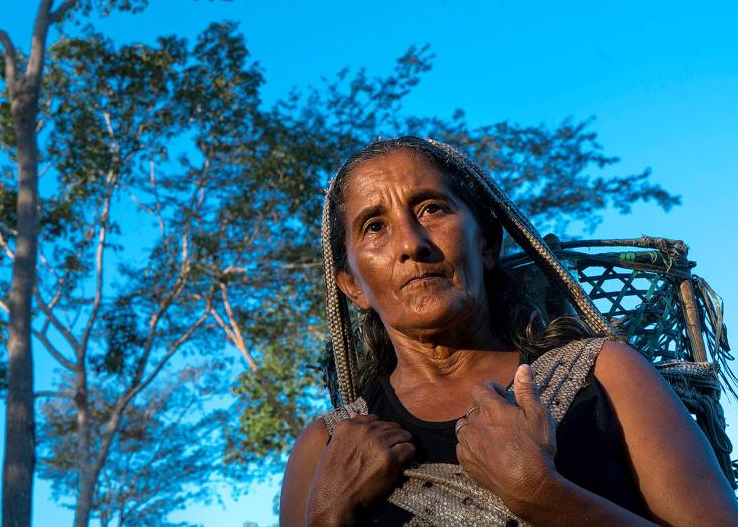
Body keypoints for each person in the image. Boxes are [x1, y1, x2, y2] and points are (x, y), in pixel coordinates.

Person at [279, 136, 738, 526]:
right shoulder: (325, 450)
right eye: (374, 226)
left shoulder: (607, 374)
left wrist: (543, 494)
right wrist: (327, 519)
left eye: (432, 208)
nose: (411, 244)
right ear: (353, 286)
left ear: (487, 244)